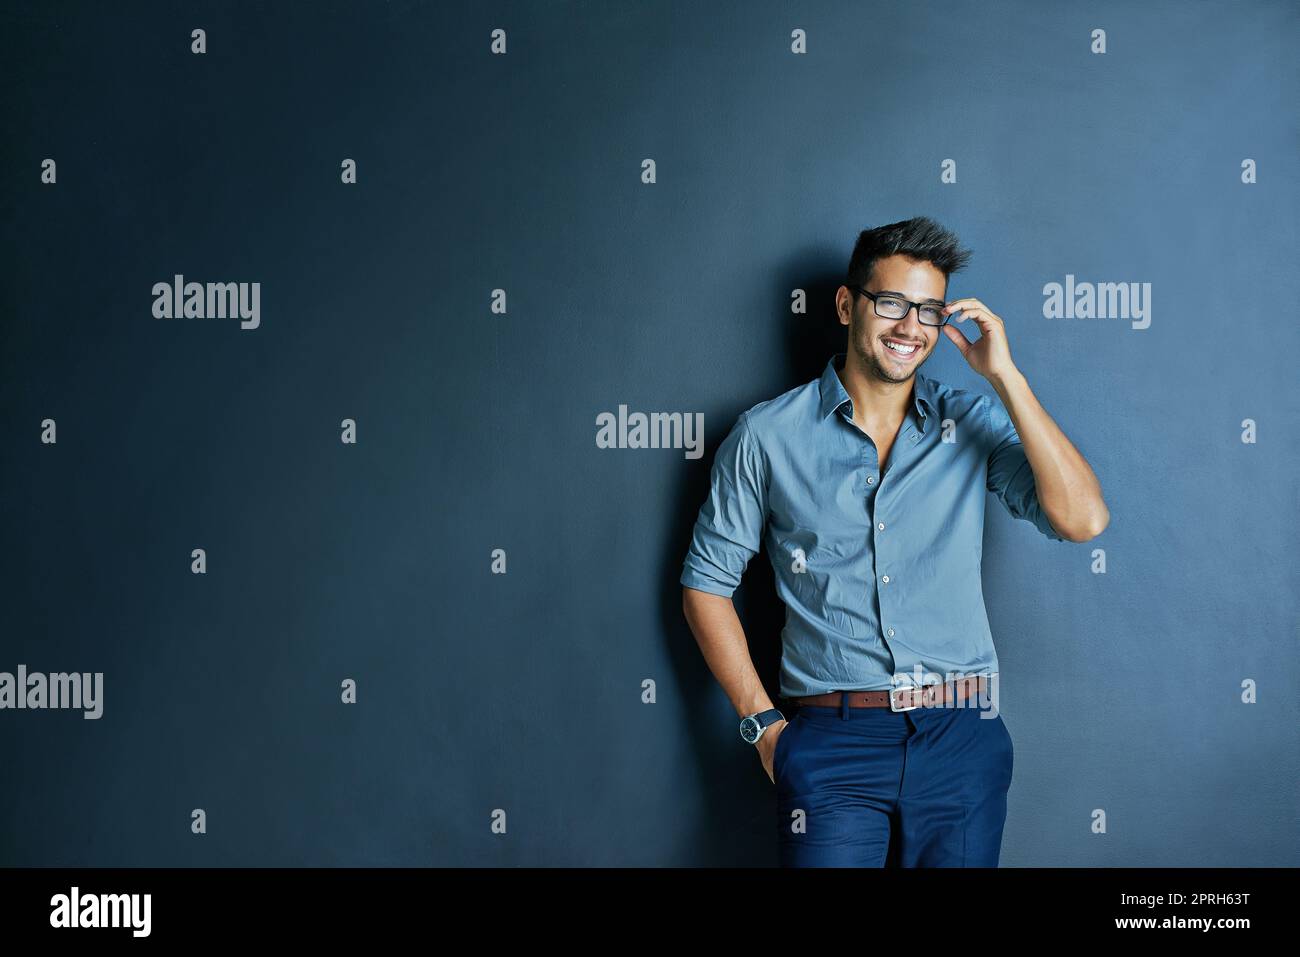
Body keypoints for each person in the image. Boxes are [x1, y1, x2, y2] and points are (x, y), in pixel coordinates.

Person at [679, 216, 1108, 866]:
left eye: (929, 311)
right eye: (892, 304)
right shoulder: (766, 437)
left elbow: (1084, 520)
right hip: (831, 744)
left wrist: (1006, 378)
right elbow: (705, 586)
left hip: (962, 738)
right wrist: (763, 725)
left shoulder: (970, 422)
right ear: (848, 304)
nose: (910, 327)